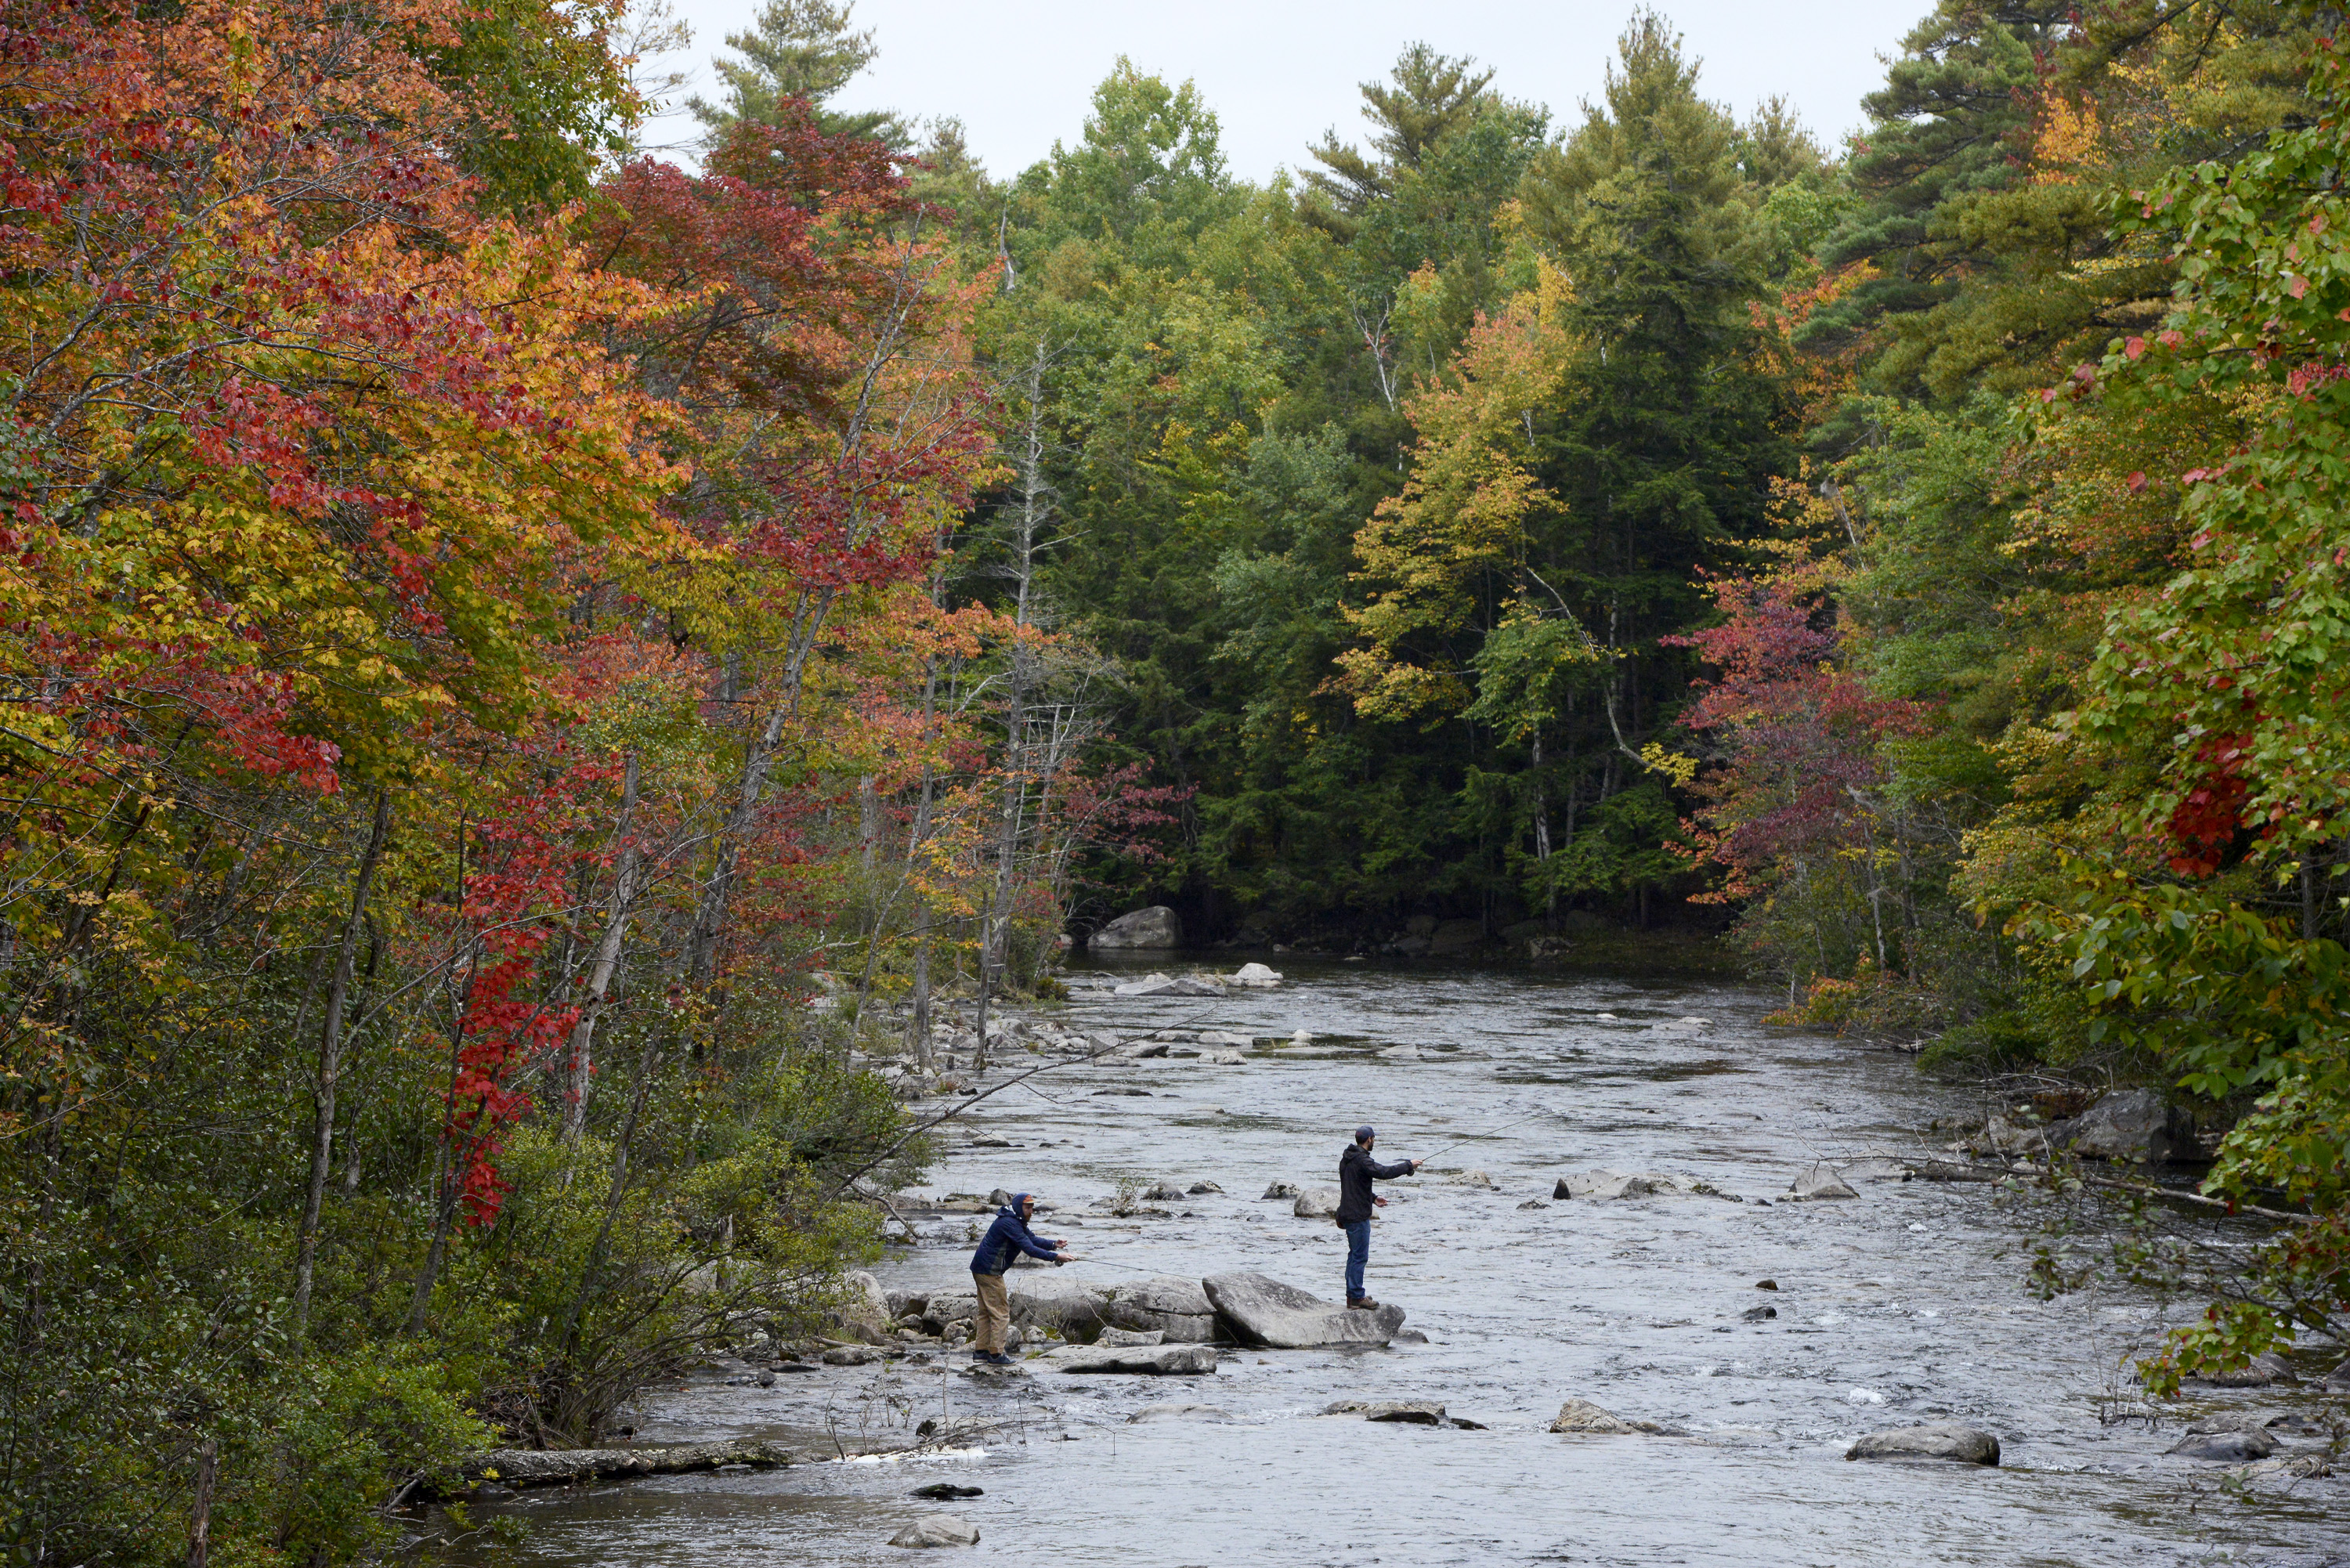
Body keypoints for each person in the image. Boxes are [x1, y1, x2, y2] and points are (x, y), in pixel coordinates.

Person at [966, 1192, 1079, 1364]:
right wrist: (1056, 1257)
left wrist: (1053, 1244)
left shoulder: (1014, 1219)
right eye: (1028, 1207)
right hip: (990, 1271)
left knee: (986, 1313)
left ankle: (981, 1352)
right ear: (1019, 1207)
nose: (1031, 1211)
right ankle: (996, 1354)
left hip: (981, 1268)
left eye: (1032, 1207)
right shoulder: (1010, 1223)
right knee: (1001, 1313)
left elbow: (1032, 1239)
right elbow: (1029, 1249)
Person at [1336, 1125, 1418, 1309]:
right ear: (1369, 1140)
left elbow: (1354, 1185)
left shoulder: (1347, 1159)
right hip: (1357, 1216)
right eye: (1373, 1139)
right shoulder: (1362, 1160)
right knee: (1359, 1257)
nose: (1374, 1142)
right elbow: (1383, 1172)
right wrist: (1408, 1166)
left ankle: (1352, 1296)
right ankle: (1357, 1296)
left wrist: (1373, 1198)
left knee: (1354, 1255)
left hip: (1347, 1213)